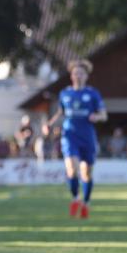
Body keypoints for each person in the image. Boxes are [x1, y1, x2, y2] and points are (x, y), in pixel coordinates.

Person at [42, 59, 107, 219]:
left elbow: (104, 115)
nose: (78, 76)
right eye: (75, 73)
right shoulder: (65, 94)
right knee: (71, 169)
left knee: (87, 174)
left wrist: (96, 116)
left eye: (81, 73)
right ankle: (76, 199)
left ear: (86, 76)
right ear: (71, 76)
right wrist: (49, 124)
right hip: (70, 136)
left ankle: (86, 202)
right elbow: (60, 113)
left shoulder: (93, 94)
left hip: (88, 137)